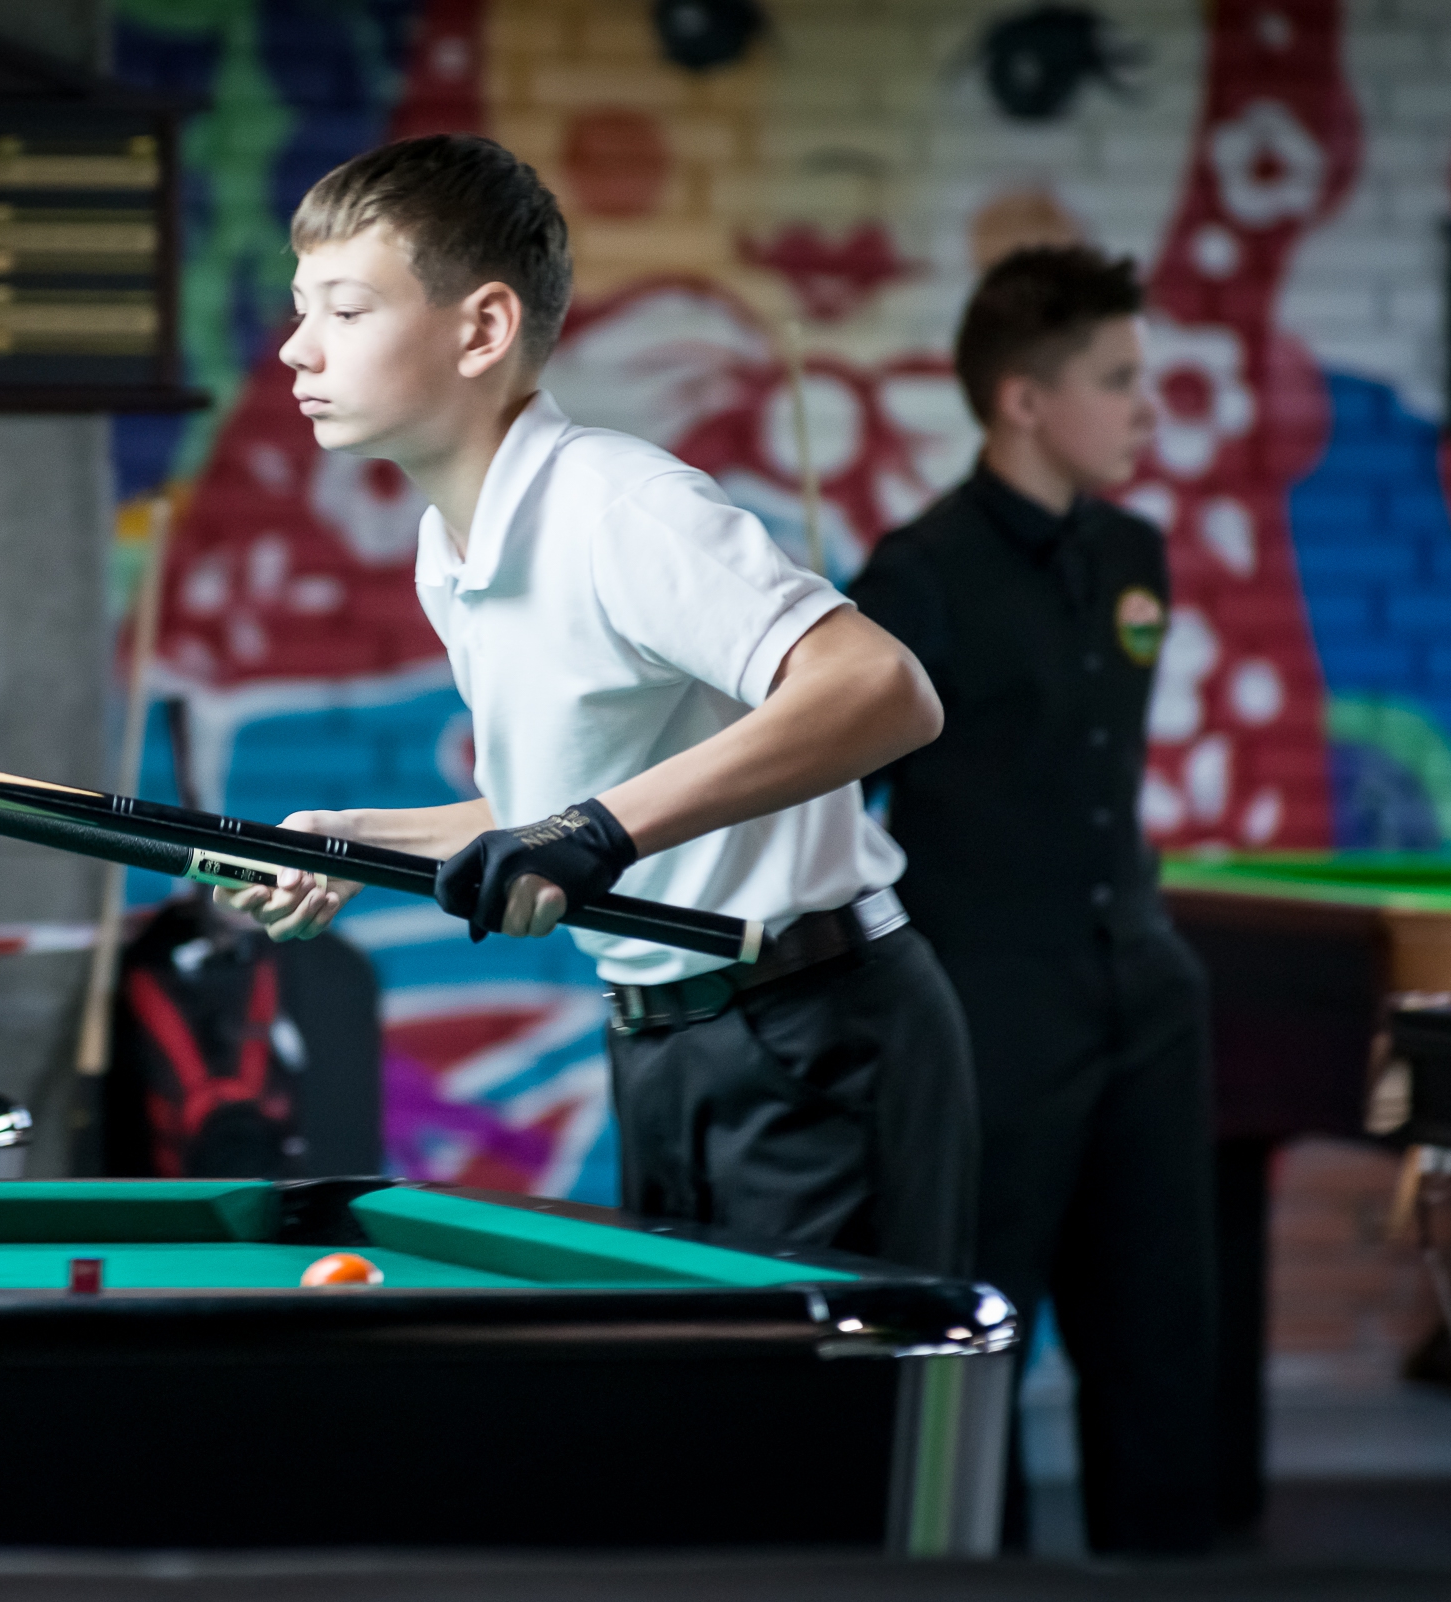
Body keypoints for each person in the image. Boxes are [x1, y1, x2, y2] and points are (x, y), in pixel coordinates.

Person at [216, 134, 977, 1278]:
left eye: (346, 310)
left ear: (483, 329)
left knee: (819, 1399)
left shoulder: (620, 507)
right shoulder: (450, 548)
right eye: (299, 308)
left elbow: (884, 691)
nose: (296, 346)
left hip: (815, 1032)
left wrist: (594, 834)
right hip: (664, 1040)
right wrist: (360, 843)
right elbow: (556, 809)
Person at [847, 245, 1215, 1555]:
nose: (1146, 408)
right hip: (988, 1006)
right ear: (1023, 399)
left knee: (1163, 1331)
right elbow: (836, 791)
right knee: (982, 1321)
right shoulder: (917, 573)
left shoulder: (1135, 553)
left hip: (1145, 989)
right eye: (1117, 380)